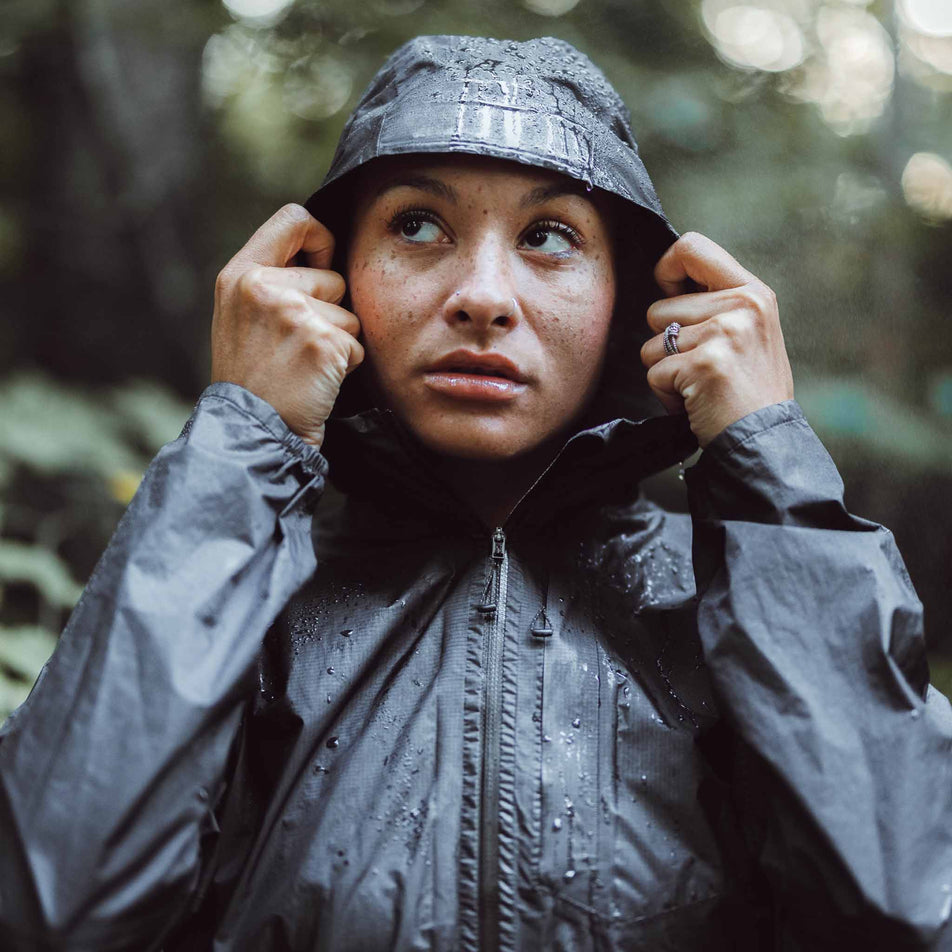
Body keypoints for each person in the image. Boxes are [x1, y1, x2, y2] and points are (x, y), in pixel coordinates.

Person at [1, 33, 951, 952]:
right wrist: (243, 439)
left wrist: (765, 455)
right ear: (330, 280)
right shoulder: (235, 591)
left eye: (548, 236)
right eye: (418, 225)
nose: (485, 296)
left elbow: (906, 909)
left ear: (627, 300)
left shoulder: (732, 603)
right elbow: (49, 907)